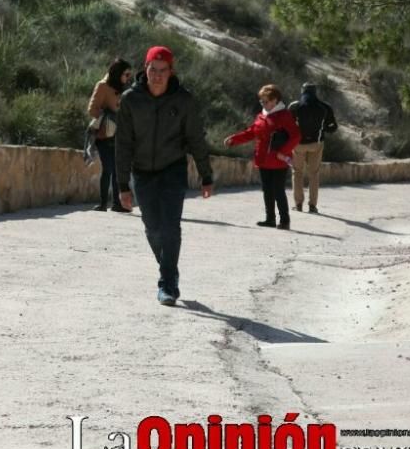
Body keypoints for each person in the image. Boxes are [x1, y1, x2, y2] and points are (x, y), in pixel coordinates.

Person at [116, 46, 214, 306]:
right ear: (145, 69)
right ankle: (169, 267)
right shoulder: (129, 100)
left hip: (173, 169)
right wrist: (122, 184)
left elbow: (195, 138)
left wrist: (206, 174)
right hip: (142, 172)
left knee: (170, 228)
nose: (157, 75)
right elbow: (123, 143)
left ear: (171, 72)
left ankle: (167, 283)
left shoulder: (184, 100)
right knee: (153, 229)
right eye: (153, 69)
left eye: (163, 70)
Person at [224, 84, 301, 230]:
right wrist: (234, 139)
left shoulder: (284, 115)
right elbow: (251, 132)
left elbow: (296, 136)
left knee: (278, 190)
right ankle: (270, 219)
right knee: (267, 190)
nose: (264, 104)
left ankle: (285, 220)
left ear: (275, 100)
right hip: (263, 159)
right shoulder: (262, 115)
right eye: (262, 101)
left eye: (266, 101)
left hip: (278, 161)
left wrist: (284, 152)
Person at [86, 58, 133, 212]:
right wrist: (107, 114)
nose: (128, 77)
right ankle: (102, 203)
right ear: (118, 72)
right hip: (104, 134)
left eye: (129, 75)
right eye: (126, 74)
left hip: (118, 134)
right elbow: (92, 109)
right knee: (108, 169)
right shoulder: (103, 86)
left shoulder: (124, 88)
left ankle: (117, 204)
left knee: (117, 170)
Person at [288, 82, 337, 213]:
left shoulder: (295, 106)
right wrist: (322, 128)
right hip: (316, 144)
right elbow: (333, 127)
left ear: (302, 91)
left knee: (297, 173)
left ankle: (298, 204)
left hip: (298, 144)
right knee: (314, 174)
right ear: (315, 92)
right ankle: (312, 206)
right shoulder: (325, 107)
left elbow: (287, 125)